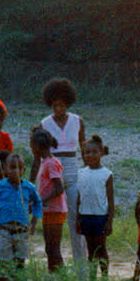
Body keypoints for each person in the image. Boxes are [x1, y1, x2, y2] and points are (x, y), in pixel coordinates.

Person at [37, 78, 86, 264]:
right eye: (55, 105)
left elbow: (83, 148)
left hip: (73, 172)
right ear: (50, 104)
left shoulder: (77, 121)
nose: (59, 109)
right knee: (53, 221)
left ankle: (80, 265)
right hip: (52, 176)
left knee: (76, 219)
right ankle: (55, 264)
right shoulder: (44, 123)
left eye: (62, 105)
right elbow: (41, 153)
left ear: (68, 103)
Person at [0, 152, 42, 281]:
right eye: (12, 167)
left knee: (20, 263)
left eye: (19, 168)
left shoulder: (28, 187)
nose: (15, 171)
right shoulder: (0, 186)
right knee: (4, 264)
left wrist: (34, 221)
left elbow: (38, 203)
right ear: (5, 170)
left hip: (22, 232)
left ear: (23, 170)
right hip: (5, 232)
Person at [75, 136, 113, 277]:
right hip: (85, 216)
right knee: (90, 250)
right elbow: (79, 197)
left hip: (100, 217)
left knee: (101, 249)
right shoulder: (81, 173)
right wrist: (78, 219)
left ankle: (104, 278)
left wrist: (109, 221)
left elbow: (111, 200)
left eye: (94, 152)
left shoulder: (107, 174)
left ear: (101, 153)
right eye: (87, 152)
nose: (90, 155)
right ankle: (92, 278)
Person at [30, 126, 66, 272]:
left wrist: (41, 200)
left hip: (55, 211)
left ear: (37, 147)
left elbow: (59, 188)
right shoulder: (45, 162)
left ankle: (60, 279)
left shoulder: (50, 163)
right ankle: (54, 277)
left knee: (53, 249)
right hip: (49, 211)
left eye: (32, 146)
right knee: (49, 248)